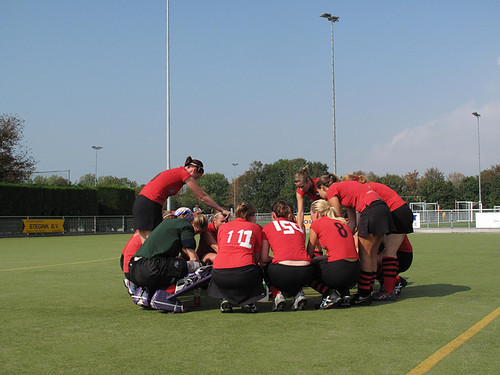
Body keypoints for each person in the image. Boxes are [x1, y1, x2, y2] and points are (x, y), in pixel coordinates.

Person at [316, 176, 395, 305]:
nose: (321, 196)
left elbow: (338, 218)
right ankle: (366, 292)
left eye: (319, 192)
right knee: (372, 255)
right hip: (381, 208)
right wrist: (346, 240)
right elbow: (351, 224)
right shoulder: (346, 189)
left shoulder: (332, 189)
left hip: (371, 210)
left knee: (365, 255)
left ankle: (364, 294)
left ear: (323, 187)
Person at [341, 174, 414, 301]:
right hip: (398, 212)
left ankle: (389, 290)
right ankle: (388, 287)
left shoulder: (365, 189)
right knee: (379, 253)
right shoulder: (367, 188)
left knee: (388, 253)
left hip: (397, 212)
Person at [133, 156, 230, 243]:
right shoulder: (183, 174)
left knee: (146, 242)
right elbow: (202, 197)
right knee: (151, 242)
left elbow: (162, 193)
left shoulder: (177, 173)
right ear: (194, 169)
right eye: (196, 177)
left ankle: (140, 260)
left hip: (144, 202)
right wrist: (221, 209)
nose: (195, 180)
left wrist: (160, 212)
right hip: (149, 204)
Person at [127, 207, 208, 295]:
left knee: (171, 265)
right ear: (191, 220)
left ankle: (147, 292)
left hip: (133, 269)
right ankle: (167, 292)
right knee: (196, 265)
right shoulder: (185, 225)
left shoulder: (165, 223)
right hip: (150, 268)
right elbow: (194, 258)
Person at [208, 202, 265, 313]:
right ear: (251, 216)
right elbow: (257, 257)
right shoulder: (255, 227)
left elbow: (222, 249)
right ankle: (249, 301)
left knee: (222, 268)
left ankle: (224, 298)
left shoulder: (223, 227)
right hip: (244, 272)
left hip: (219, 273)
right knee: (257, 269)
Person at [261, 200, 313, 311]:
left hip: (282, 271)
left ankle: (277, 295)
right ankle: (299, 293)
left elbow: (264, 258)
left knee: (265, 266)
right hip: (306, 271)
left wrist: (276, 259)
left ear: (273, 214)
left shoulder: (268, 227)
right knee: (294, 272)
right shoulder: (298, 227)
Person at [306, 199, 360, 309]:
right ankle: (345, 294)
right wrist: (320, 258)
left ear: (316, 213)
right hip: (355, 272)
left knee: (307, 270)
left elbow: (308, 254)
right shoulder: (341, 223)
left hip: (338, 271)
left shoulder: (317, 224)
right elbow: (339, 253)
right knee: (330, 264)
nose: (311, 216)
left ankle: (329, 294)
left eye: (311, 213)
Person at [294, 167, 322, 232]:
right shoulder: (300, 191)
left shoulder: (319, 183)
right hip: (317, 209)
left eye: (302, 186)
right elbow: (300, 212)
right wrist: (300, 231)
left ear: (308, 180)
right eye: (298, 187)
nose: (300, 189)